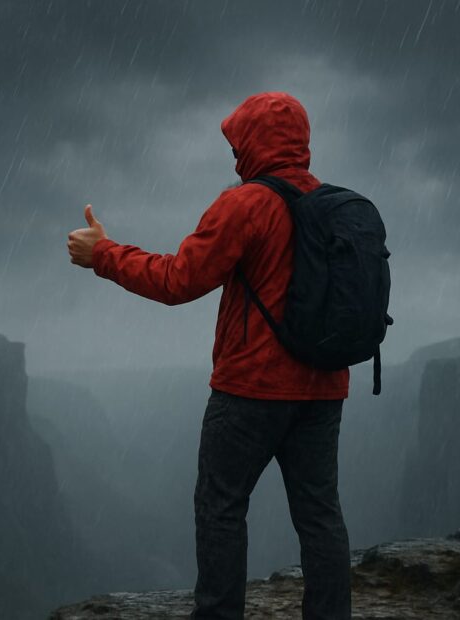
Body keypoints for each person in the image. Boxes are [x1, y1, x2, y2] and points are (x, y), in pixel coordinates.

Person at [67, 92, 351, 620]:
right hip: (323, 387)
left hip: (250, 390)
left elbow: (179, 280)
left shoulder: (244, 204)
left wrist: (103, 255)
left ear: (252, 143)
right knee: (319, 514)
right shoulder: (335, 207)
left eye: (236, 141)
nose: (233, 153)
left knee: (220, 507)